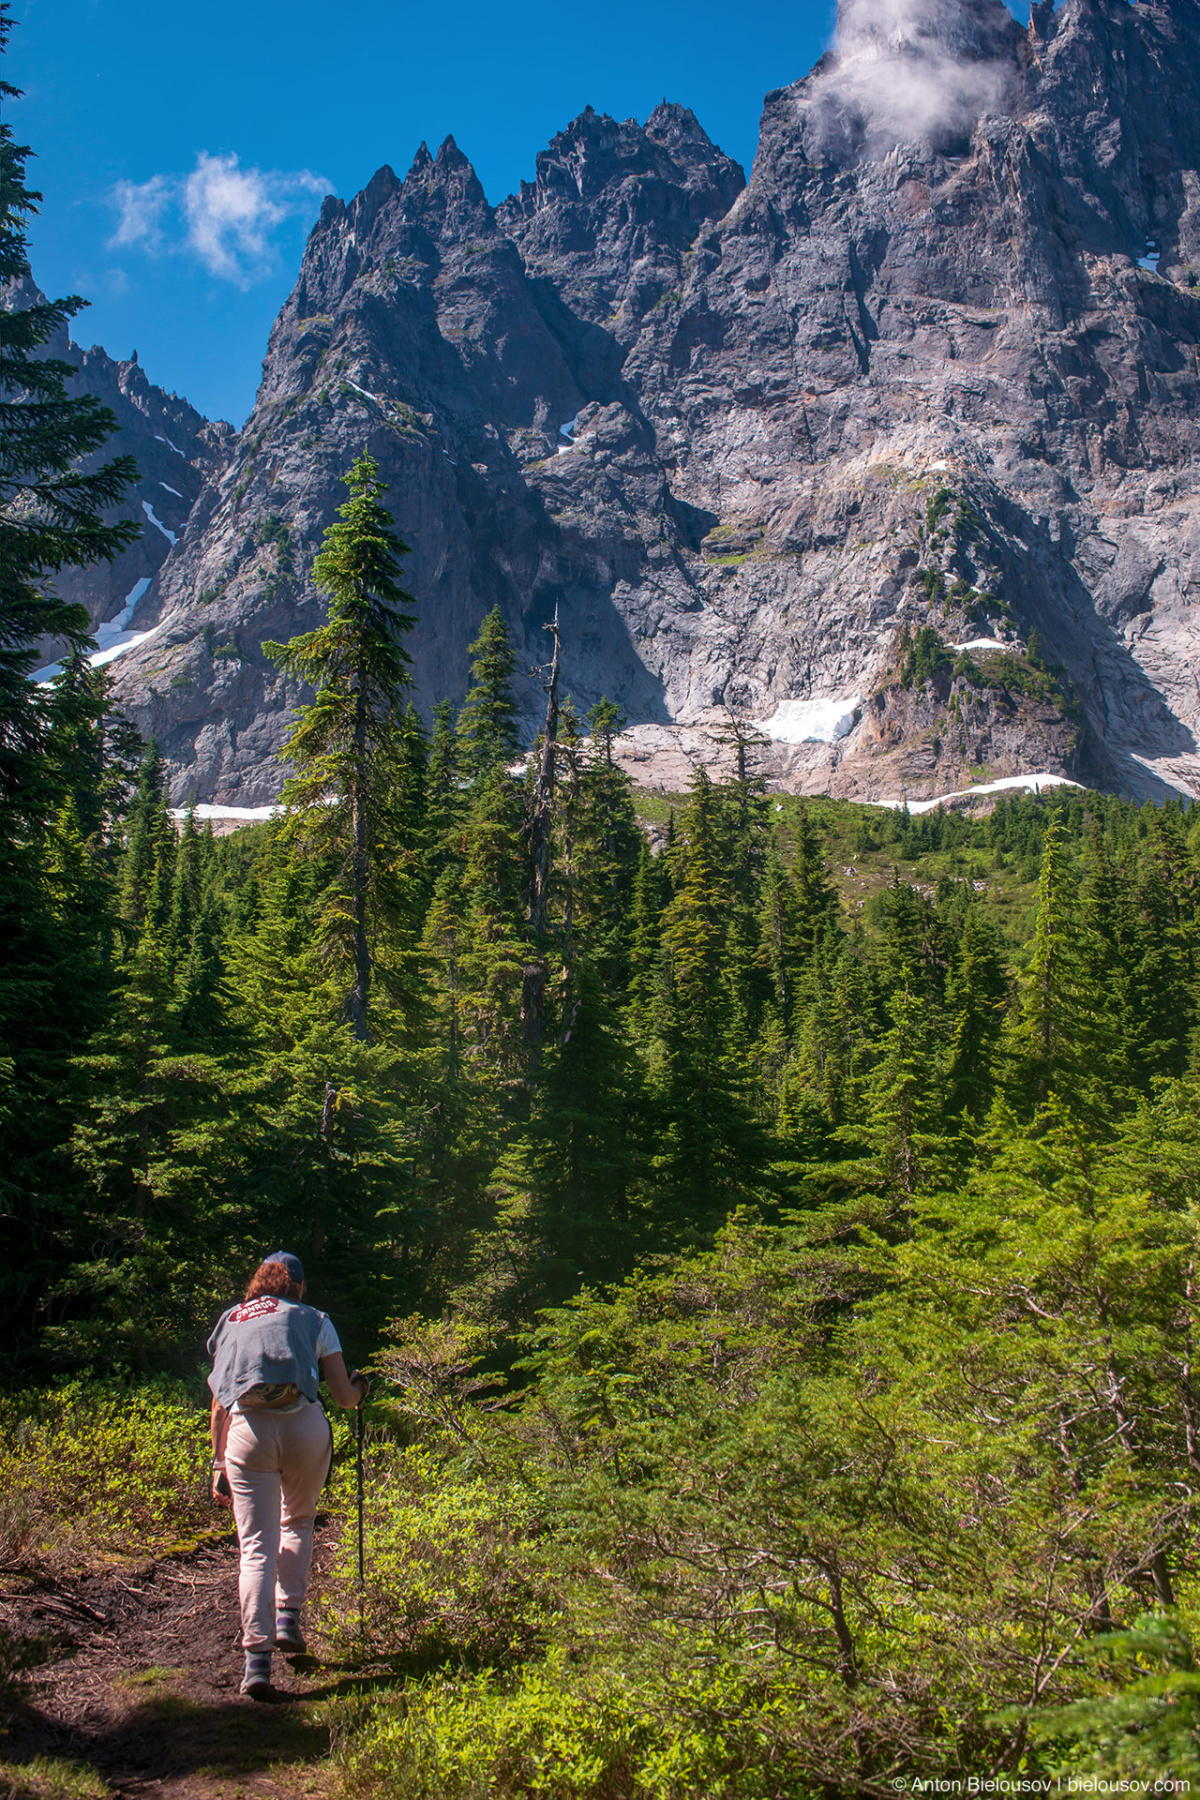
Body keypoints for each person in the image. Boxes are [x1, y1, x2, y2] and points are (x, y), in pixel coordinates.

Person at [207, 1250, 368, 1699]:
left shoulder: (232, 1319)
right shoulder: (315, 1318)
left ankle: (256, 1663)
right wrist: (359, 1389)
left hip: (246, 1431)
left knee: (255, 1546)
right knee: (297, 1520)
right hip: (303, 1427)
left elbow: (220, 1399)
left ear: (259, 1281)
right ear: (298, 1285)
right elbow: (341, 1396)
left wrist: (218, 1463)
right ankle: (287, 1618)